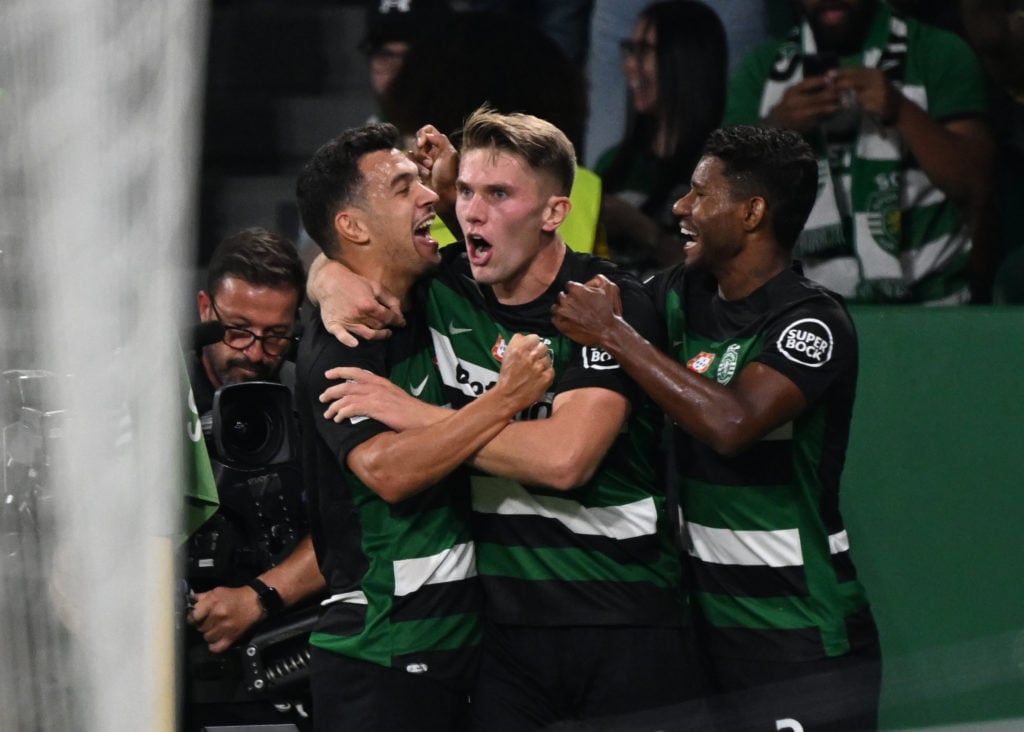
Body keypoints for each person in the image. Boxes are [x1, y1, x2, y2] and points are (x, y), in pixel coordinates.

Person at [309, 107, 702, 729]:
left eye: (498, 194)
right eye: (463, 190)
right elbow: (359, 247)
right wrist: (327, 278)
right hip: (504, 640)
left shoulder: (607, 304)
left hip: (625, 620)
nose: (470, 212)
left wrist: (415, 415)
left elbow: (564, 459)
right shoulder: (444, 288)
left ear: (553, 213)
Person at [552, 124, 881, 729]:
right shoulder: (679, 294)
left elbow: (734, 423)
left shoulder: (811, 322)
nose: (680, 206)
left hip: (799, 638)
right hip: (701, 637)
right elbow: (569, 286)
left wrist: (614, 336)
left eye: (701, 194)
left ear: (753, 212)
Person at [293, 121, 554, 731]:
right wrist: (503, 401)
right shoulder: (342, 342)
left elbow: (508, 236)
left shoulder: (441, 291)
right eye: (402, 186)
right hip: (380, 657)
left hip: (465, 652)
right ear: (354, 228)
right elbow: (386, 470)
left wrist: (324, 272)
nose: (429, 197)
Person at [724, 0, 996, 304]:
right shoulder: (760, 70)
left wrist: (901, 110)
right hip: (806, 316)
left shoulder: (936, 51)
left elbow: (975, 186)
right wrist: (777, 129)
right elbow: (724, 209)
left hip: (936, 304)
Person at [183, 227, 325, 730]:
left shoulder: (318, 398)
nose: (253, 352)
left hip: (291, 658)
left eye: (275, 335)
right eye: (237, 329)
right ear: (205, 308)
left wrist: (258, 599)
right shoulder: (149, 396)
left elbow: (354, 528)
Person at [593, 0, 727, 273]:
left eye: (644, 51)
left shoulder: (720, 169)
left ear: (687, 60)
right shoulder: (614, 163)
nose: (631, 65)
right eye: (629, 50)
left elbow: (720, 276)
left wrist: (642, 230)